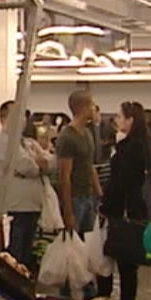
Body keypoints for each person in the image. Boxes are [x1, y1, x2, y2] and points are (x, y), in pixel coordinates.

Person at [97, 101, 149, 300]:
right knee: (116, 261)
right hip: (125, 208)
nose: (116, 120)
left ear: (130, 120)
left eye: (120, 116)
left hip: (123, 211)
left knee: (123, 261)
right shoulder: (131, 144)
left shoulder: (132, 146)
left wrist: (107, 203)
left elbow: (123, 180)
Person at [0, 100, 52, 268]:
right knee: (12, 259)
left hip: (30, 208)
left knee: (25, 259)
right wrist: (36, 161)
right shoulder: (2, 142)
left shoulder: (27, 142)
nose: (22, 120)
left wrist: (38, 160)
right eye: (17, 115)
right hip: (13, 209)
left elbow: (51, 163)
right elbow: (28, 167)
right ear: (3, 119)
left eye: (23, 115)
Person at [57, 90, 103, 237]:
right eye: (91, 105)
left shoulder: (87, 133)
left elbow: (90, 166)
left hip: (88, 196)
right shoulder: (67, 137)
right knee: (74, 242)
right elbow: (64, 176)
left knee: (89, 241)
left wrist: (98, 193)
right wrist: (68, 212)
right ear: (83, 107)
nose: (94, 108)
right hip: (75, 199)